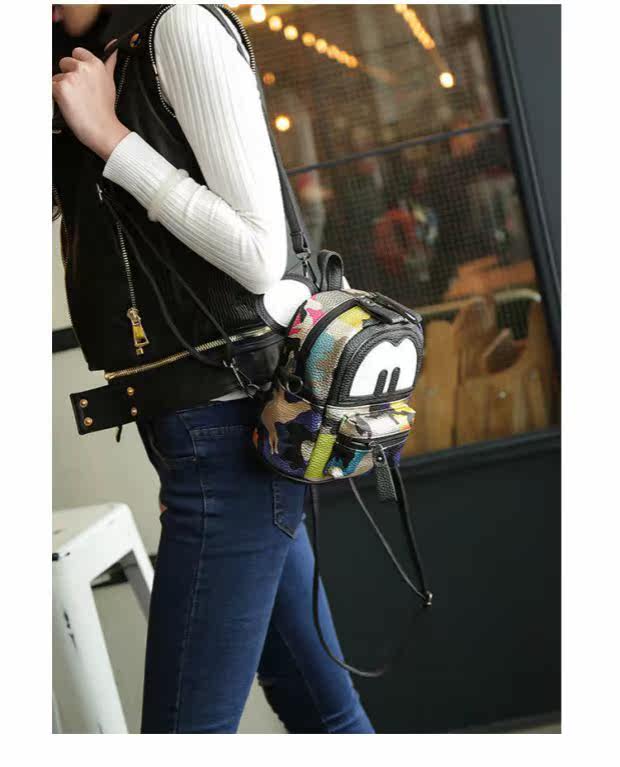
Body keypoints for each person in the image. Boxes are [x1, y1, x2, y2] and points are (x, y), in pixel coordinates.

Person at [52, 4, 374, 734]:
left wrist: (110, 136)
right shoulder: (78, 61)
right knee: (326, 716)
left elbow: (260, 254)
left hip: (232, 434)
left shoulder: (179, 29)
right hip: (199, 435)